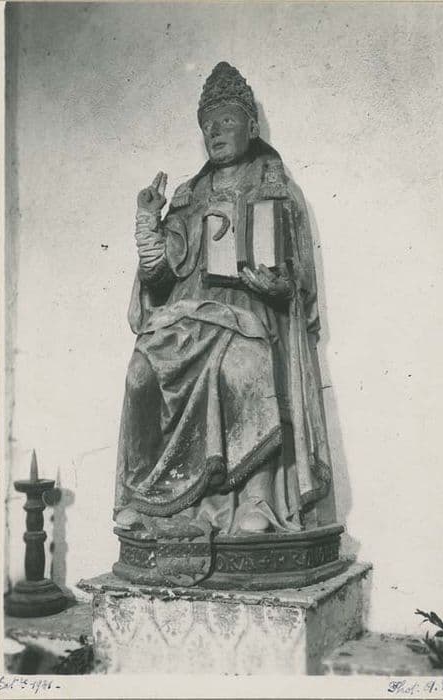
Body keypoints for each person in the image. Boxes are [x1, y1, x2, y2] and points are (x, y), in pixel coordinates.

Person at [114, 62, 334, 536]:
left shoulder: (277, 189)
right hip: (187, 318)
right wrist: (148, 222)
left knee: (244, 366)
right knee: (140, 372)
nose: (215, 131)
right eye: (208, 125)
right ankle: (150, 499)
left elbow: (300, 282)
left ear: (251, 128)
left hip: (251, 315)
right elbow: (158, 276)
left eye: (227, 120)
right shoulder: (188, 197)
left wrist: (279, 287)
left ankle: (258, 498)